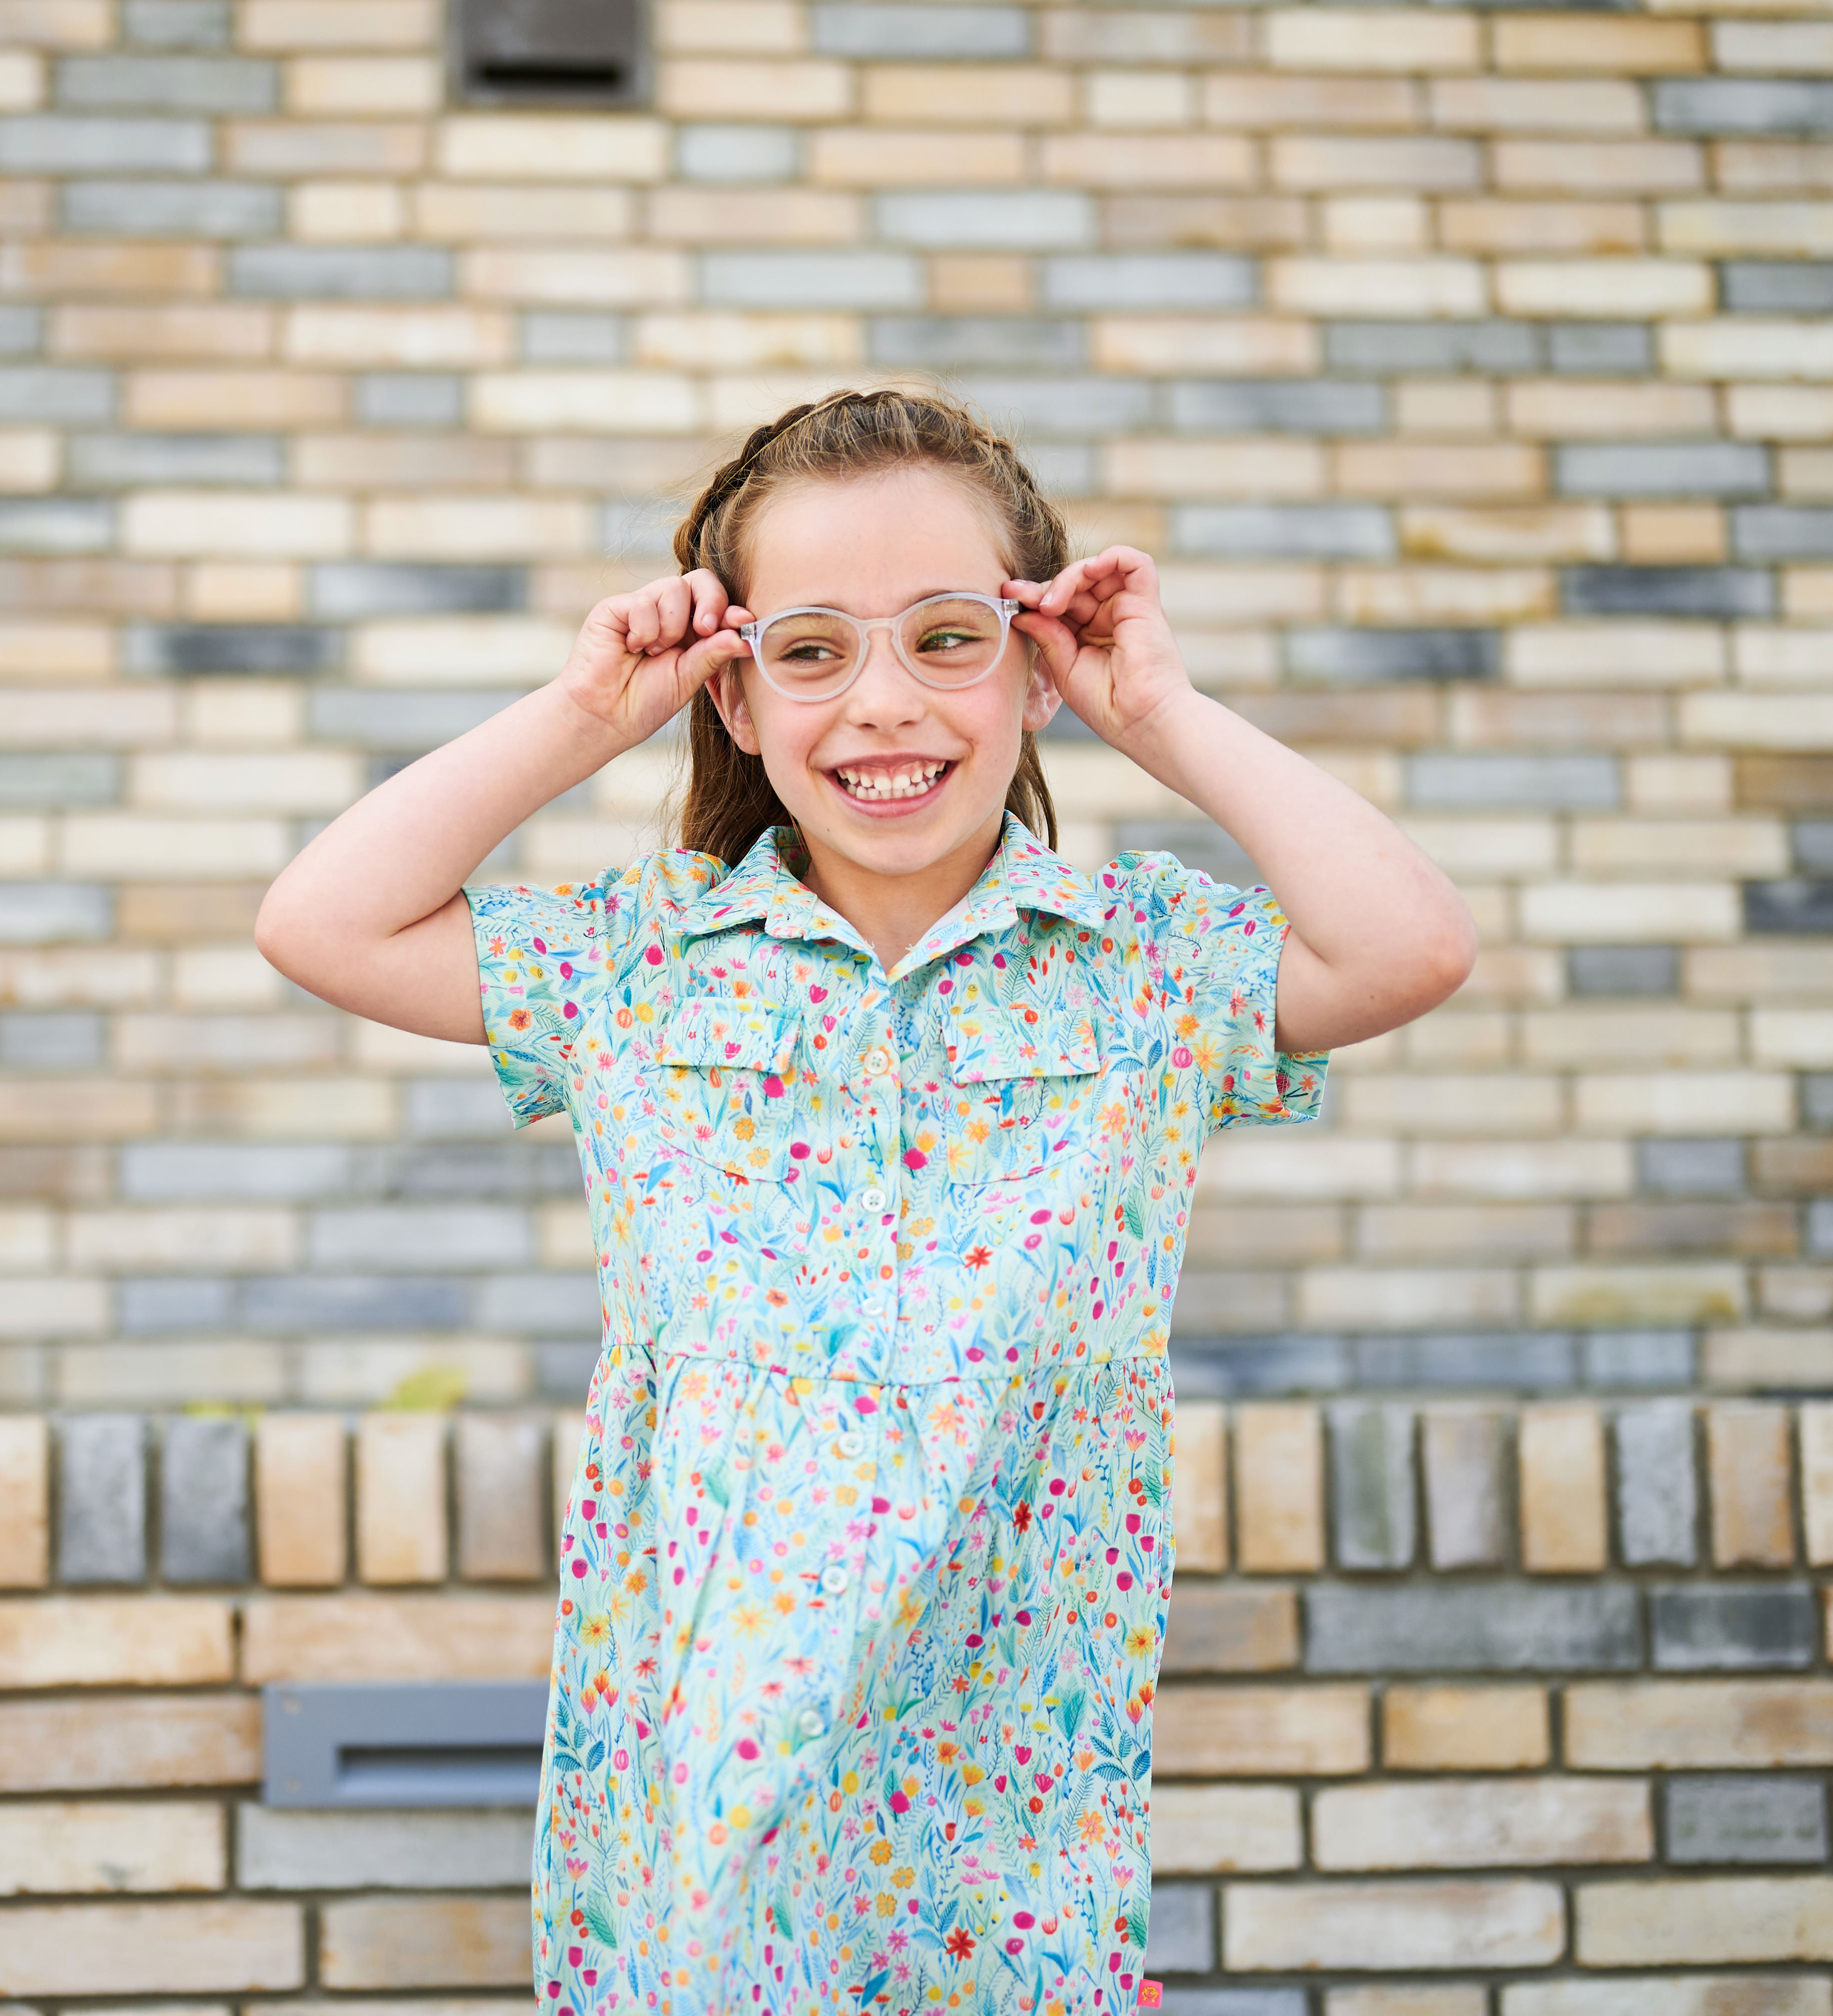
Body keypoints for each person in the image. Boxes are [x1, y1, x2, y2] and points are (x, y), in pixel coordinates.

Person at [255, 386, 1476, 2013]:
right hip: (708, 1790)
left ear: (1034, 668)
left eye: (948, 639)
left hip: (1006, 1802)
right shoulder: (640, 966)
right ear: (738, 695)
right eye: (813, 649)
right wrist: (583, 713)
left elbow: (1411, 947)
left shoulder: (1145, 970)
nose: (883, 703)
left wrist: (1163, 714)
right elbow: (320, 923)